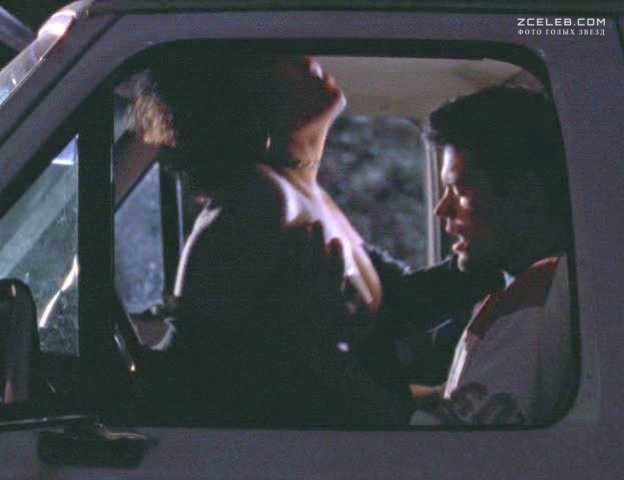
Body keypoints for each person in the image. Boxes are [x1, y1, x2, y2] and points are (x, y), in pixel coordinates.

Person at [127, 48, 494, 427]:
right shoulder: (256, 199)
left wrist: (496, 257)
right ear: (241, 98)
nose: (304, 60)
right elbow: (192, 363)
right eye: (272, 58)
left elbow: (396, 303)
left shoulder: (298, 191)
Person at [405, 86, 576, 425]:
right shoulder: (523, 286)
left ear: (524, 193)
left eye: (460, 190)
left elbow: (460, 446)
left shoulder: (537, 301)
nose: (442, 209)